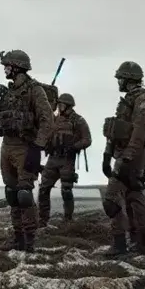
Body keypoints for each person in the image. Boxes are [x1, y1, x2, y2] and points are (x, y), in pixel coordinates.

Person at [0, 50, 55, 251]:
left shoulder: (35, 90)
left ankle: (29, 241)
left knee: (24, 194)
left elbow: (47, 120)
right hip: (7, 146)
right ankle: (17, 237)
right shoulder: (9, 92)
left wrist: (37, 146)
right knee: (11, 193)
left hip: (25, 147)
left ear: (16, 67)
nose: (5, 69)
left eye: (7, 65)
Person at [101, 61, 145, 257]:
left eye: (120, 78)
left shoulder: (143, 101)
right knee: (134, 197)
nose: (118, 82)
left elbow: (140, 132)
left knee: (111, 200)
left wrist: (127, 158)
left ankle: (120, 245)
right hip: (125, 154)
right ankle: (143, 244)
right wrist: (108, 153)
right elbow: (118, 128)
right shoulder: (129, 100)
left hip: (131, 156)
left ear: (128, 79)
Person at [37, 92, 93, 226]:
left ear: (67, 106)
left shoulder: (78, 120)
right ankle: (43, 220)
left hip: (67, 159)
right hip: (53, 158)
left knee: (66, 190)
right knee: (43, 188)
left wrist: (74, 147)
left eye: (61, 104)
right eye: (59, 104)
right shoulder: (54, 120)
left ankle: (68, 219)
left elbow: (87, 139)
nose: (59, 107)